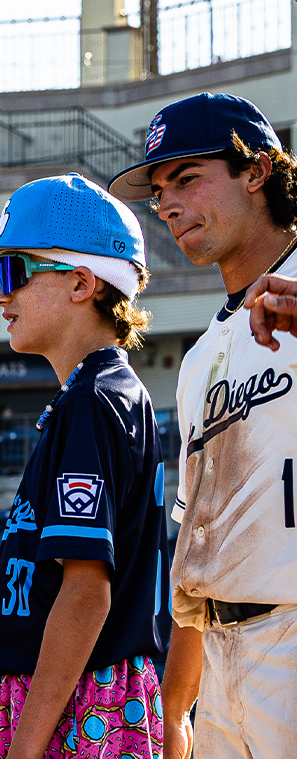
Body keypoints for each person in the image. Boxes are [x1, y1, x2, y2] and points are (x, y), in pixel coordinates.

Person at [0, 174, 168, 759]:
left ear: (81, 282)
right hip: (79, 692)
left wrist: (26, 745)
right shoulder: (96, 395)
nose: (0, 294)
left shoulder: (94, 401)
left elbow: (86, 595)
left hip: (83, 702)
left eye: (13, 272)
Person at [107, 93, 297, 759]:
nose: (168, 206)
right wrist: (173, 706)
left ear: (259, 170)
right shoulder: (196, 361)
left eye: (187, 178)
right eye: (159, 191)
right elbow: (196, 542)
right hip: (218, 659)